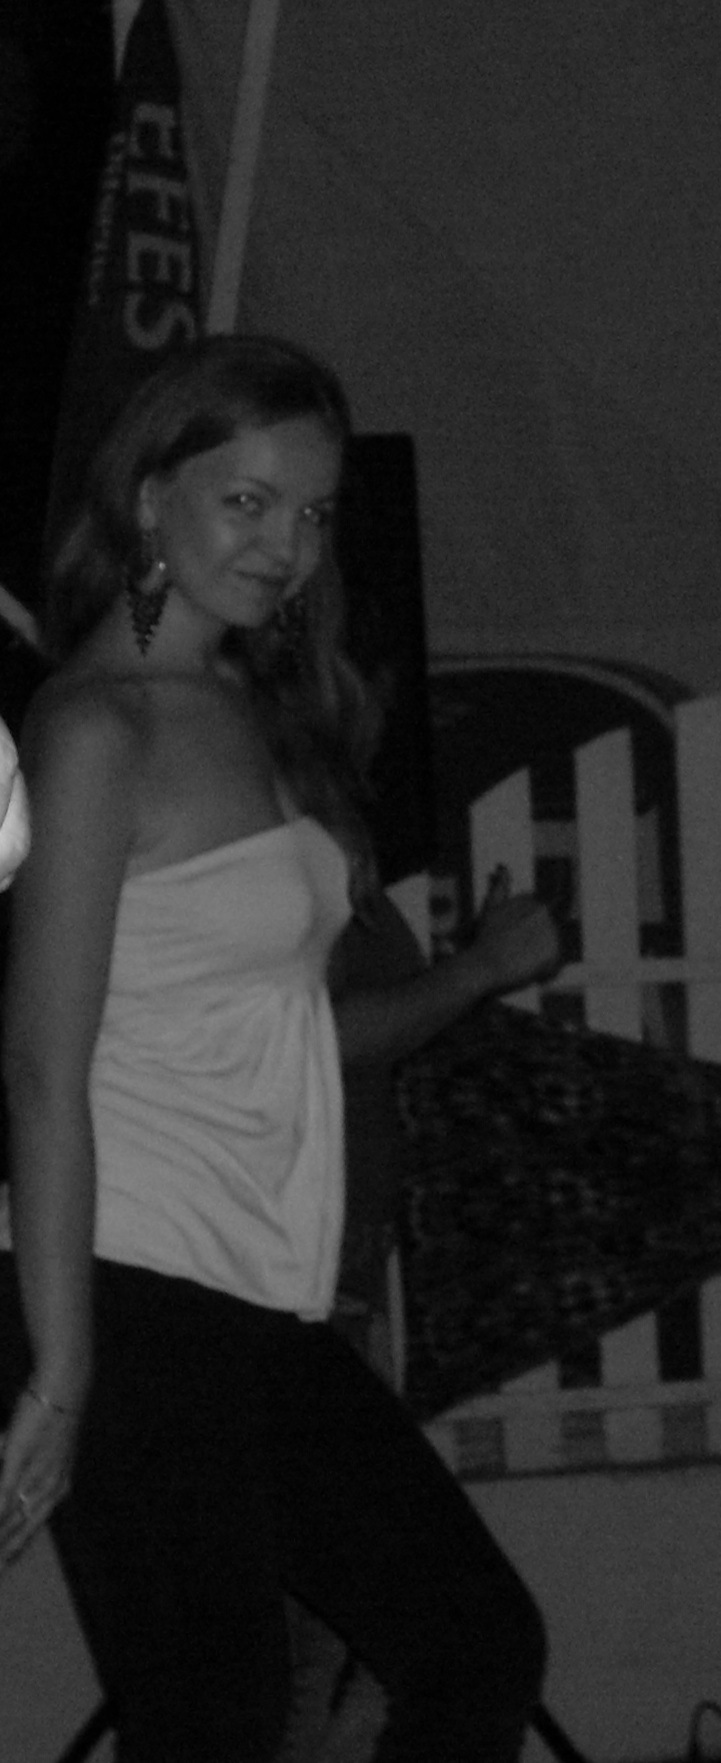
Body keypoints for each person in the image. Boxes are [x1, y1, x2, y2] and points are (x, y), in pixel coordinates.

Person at [0, 334, 559, 1763]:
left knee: (474, 1644)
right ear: (149, 498)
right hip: (126, 1275)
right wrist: (60, 1371)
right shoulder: (96, 729)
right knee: (217, 1723)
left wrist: (474, 974)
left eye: (310, 513)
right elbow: (43, 1067)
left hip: (252, 1286)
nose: (285, 547)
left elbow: (286, 1033)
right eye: (245, 502)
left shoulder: (243, 708)